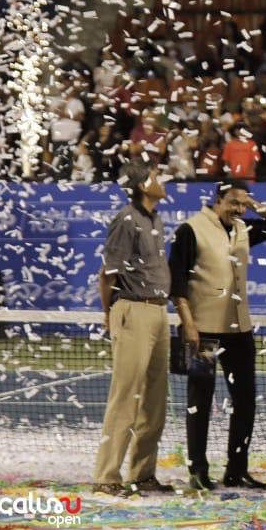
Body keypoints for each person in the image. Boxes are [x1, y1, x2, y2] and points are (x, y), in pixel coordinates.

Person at [168, 180, 266, 491]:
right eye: (233, 203)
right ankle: (198, 470)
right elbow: (177, 284)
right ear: (218, 200)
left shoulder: (242, 229)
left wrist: (252, 204)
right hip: (204, 330)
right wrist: (189, 325)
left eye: (241, 205)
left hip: (239, 330)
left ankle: (237, 470)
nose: (238, 209)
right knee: (200, 401)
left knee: (245, 401)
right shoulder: (190, 229)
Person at [92, 162, 174, 495]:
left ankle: (142, 473)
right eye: (155, 175)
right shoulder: (126, 219)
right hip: (133, 311)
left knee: (154, 399)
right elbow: (107, 273)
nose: (162, 179)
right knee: (126, 396)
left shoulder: (155, 218)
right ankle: (106, 477)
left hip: (158, 312)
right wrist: (109, 313)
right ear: (142, 185)